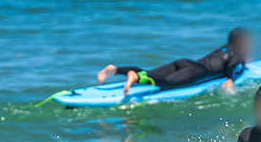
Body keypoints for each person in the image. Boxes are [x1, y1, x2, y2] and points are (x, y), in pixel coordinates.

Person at [96, 28, 253, 97]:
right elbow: (232, 65)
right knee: (166, 84)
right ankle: (135, 77)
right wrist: (231, 79)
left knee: (151, 73)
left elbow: (227, 59)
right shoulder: (237, 53)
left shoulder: (224, 48)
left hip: (186, 62)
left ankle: (116, 69)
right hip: (197, 72)